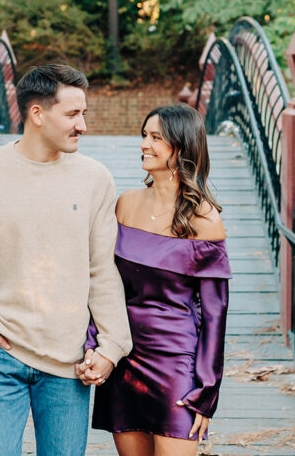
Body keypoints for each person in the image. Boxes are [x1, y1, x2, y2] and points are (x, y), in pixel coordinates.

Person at [0, 64, 132, 456]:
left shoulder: (95, 179)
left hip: (69, 362)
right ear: (37, 114)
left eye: (84, 114)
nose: (83, 126)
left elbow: (102, 269)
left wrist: (111, 345)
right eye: (73, 115)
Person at [79, 103, 230, 456]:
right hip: (124, 353)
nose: (144, 144)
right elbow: (103, 281)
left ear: (182, 146)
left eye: (156, 137)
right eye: (144, 136)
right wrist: (94, 343)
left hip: (176, 359)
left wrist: (207, 391)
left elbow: (214, 315)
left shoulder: (204, 219)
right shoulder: (125, 204)